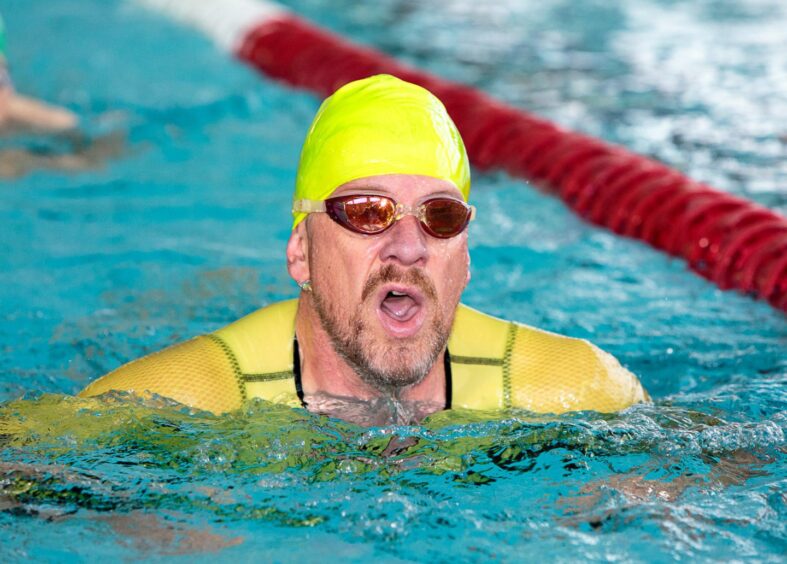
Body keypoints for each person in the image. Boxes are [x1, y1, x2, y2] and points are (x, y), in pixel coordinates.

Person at [80, 74, 648, 425]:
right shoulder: (176, 401)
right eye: (366, 212)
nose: (408, 247)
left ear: (467, 260)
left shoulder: (576, 388)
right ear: (300, 251)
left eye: (440, 217)